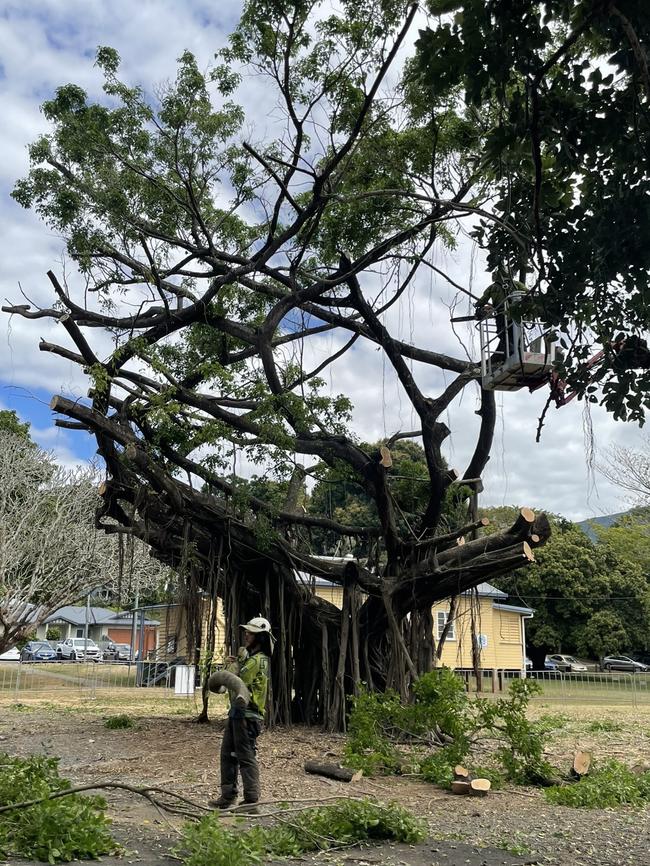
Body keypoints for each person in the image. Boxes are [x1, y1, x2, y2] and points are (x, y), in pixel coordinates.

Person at [209, 616, 274, 810]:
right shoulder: (252, 660)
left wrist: (233, 668)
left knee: (245, 756)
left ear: (260, 637)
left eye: (251, 632)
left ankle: (251, 800)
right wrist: (237, 662)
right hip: (237, 713)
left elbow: (239, 684)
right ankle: (227, 797)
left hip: (248, 714)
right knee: (227, 754)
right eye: (247, 631)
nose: (246, 634)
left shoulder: (255, 662)